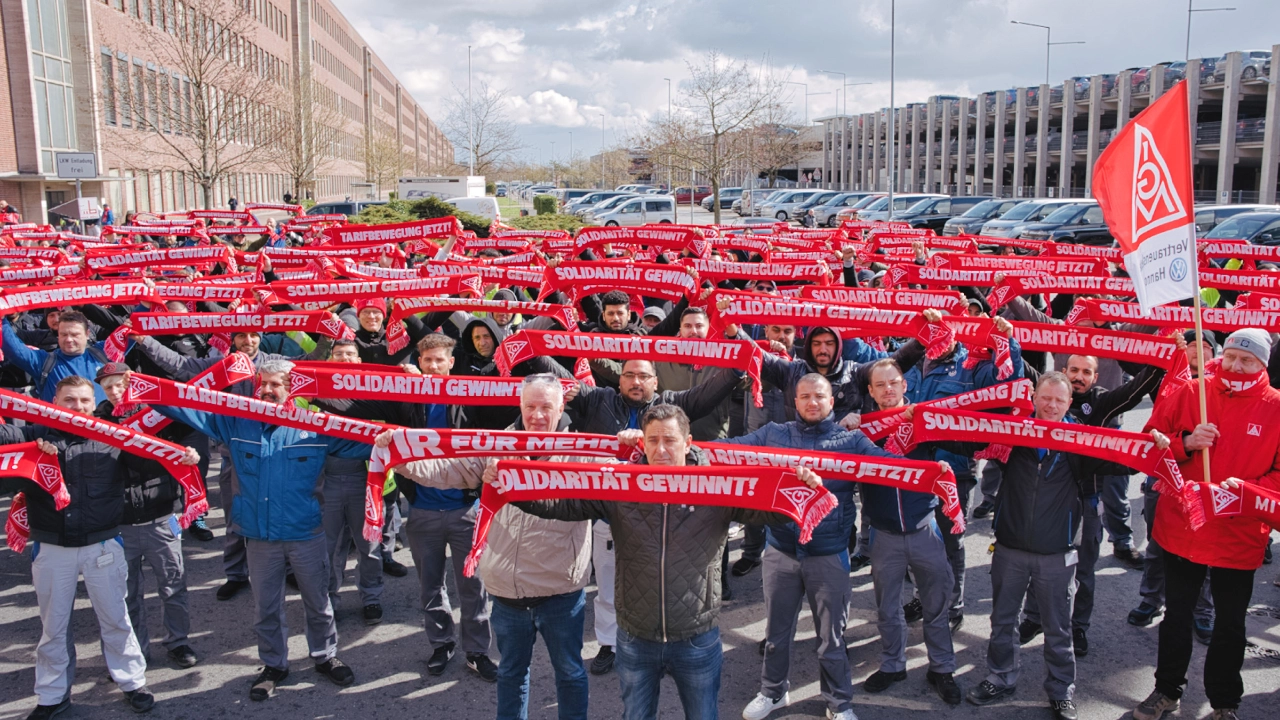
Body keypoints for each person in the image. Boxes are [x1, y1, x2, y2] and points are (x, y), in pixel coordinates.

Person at [508, 404, 823, 720]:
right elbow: (561, 505)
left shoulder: (718, 484)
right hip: (635, 638)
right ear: (641, 443)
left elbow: (769, 509)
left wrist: (804, 487)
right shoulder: (621, 483)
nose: (661, 449)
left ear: (688, 443)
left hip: (696, 638)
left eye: (670, 440)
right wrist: (510, 484)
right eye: (653, 440)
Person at [376, 375, 595, 720]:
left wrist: (633, 446)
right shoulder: (497, 445)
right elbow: (446, 469)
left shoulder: (584, 453)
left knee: (569, 673)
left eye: (546, 407)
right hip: (507, 592)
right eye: (530, 407)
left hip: (560, 592)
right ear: (520, 406)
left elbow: (618, 482)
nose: (537, 415)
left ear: (561, 407)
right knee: (510, 674)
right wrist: (400, 457)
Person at [149, 359, 364, 701]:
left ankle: (325, 656)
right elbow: (186, 408)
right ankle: (274, 665)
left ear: (292, 388)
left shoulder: (316, 427)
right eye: (262, 383)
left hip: (305, 534)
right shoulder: (236, 421)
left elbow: (369, 440)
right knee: (266, 608)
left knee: (319, 602)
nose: (266, 390)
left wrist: (395, 435)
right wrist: (142, 388)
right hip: (259, 539)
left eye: (275, 384)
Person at [0, 376, 200, 718]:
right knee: (53, 627)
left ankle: (133, 683)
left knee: (116, 619)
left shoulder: (112, 435)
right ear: (54, 402)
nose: (77, 408)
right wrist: (36, 454)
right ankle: (51, 696)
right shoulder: (35, 434)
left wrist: (183, 455)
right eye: (69, 401)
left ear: (93, 404)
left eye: (83, 401)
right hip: (52, 548)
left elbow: (150, 458)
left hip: (103, 545)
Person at [722, 374, 916, 720]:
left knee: (832, 640)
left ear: (832, 401)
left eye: (820, 396)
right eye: (805, 396)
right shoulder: (773, 434)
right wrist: (685, 448)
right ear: (794, 402)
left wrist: (931, 472)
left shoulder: (852, 439)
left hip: (829, 554)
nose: (813, 402)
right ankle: (772, 692)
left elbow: (889, 467)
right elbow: (730, 451)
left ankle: (839, 703)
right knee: (776, 634)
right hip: (781, 551)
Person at [966, 373, 1159, 720]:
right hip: (1009, 548)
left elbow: (1123, 459)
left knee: (1058, 628)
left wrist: (1155, 442)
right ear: (1034, 399)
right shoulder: (1011, 435)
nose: (1051, 405)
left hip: (1057, 553)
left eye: (1058, 400)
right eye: (1045, 398)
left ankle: (1060, 688)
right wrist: (915, 418)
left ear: (1069, 404)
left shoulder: (1081, 442)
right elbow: (962, 436)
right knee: (1003, 621)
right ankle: (1000, 677)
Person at [1133, 328, 1280, 720]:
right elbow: (1150, 446)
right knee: (1176, 617)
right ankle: (1166, 691)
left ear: (1262, 364)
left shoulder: (1276, 407)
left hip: (1240, 535)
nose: (1235, 365)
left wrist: (1243, 493)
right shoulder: (1190, 391)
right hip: (1184, 529)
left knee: (1230, 625)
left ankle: (1224, 702)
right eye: (1231, 356)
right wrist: (1185, 443)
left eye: (1246, 360)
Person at [1018, 350, 1169, 654]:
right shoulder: (1050, 390)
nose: (1078, 377)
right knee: (1037, 565)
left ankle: (1077, 627)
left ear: (1095, 378)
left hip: (1086, 499)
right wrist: (1003, 336)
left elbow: (1137, 387)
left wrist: (1164, 356)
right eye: (1073, 369)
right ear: (1063, 369)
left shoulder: (1099, 402)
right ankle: (1033, 618)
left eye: (1086, 372)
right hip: (1045, 500)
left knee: (1083, 571)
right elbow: (1016, 362)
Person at [902, 314, 1022, 631]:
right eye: (930, 329)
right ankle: (922, 594)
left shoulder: (972, 367)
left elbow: (1007, 388)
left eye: (943, 328)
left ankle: (952, 603)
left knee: (950, 543)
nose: (935, 336)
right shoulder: (909, 360)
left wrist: (1007, 344)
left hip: (952, 472)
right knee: (916, 540)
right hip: (911, 469)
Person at [859, 359, 964, 706]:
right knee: (888, 608)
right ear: (871, 392)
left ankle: (942, 668)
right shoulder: (862, 430)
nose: (888, 390)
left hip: (925, 529)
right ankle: (892, 665)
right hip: (884, 535)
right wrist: (846, 426)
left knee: (937, 603)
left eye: (894, 383)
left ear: (905, 386)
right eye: (880, 385)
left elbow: (964, 440)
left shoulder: (924, 419)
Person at [397, 333, 496, 680]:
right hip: (422, 510)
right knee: (430, 586)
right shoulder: (407, 398)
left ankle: (477, 652)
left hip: (465, 510)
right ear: (419, 363)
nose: (434, 366)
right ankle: (441, 644)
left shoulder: (470, 397)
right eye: (427, 360)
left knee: (473, 587)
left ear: (452, 363)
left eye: (440, 360)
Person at [95, 364, 198, 670]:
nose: (115, 392)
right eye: (108, 387)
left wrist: (187, 453)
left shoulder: (160, 414)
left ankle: (178, 642)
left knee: (173, 585)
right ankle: (133, 650)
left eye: (120, 385)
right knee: (126, 594)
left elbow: (191, 422)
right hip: (118, 523)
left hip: (160, 515)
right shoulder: (94, 422)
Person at [1128, 331, 1216, 631]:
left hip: (1205, 483)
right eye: (1193, 347)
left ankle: (1202, 609)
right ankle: (1151, 599)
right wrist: (1183, 443)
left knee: (1205, 548)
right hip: (1165, 476)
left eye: (1205, 348)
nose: (1198, 353)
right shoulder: (1171, 380)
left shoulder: (1222, 391)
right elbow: (1150, 433)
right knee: (1158, 544)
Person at [1, 310, 113, 403]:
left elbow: (129, 333)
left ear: (87, 334)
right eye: (63, 334)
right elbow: (11, 347)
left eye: (75, 335)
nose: (69, 339)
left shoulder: (103, 352)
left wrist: (130, 321)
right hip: (56, 429)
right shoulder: (44, 362)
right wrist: (1, 318)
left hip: (100, 427)